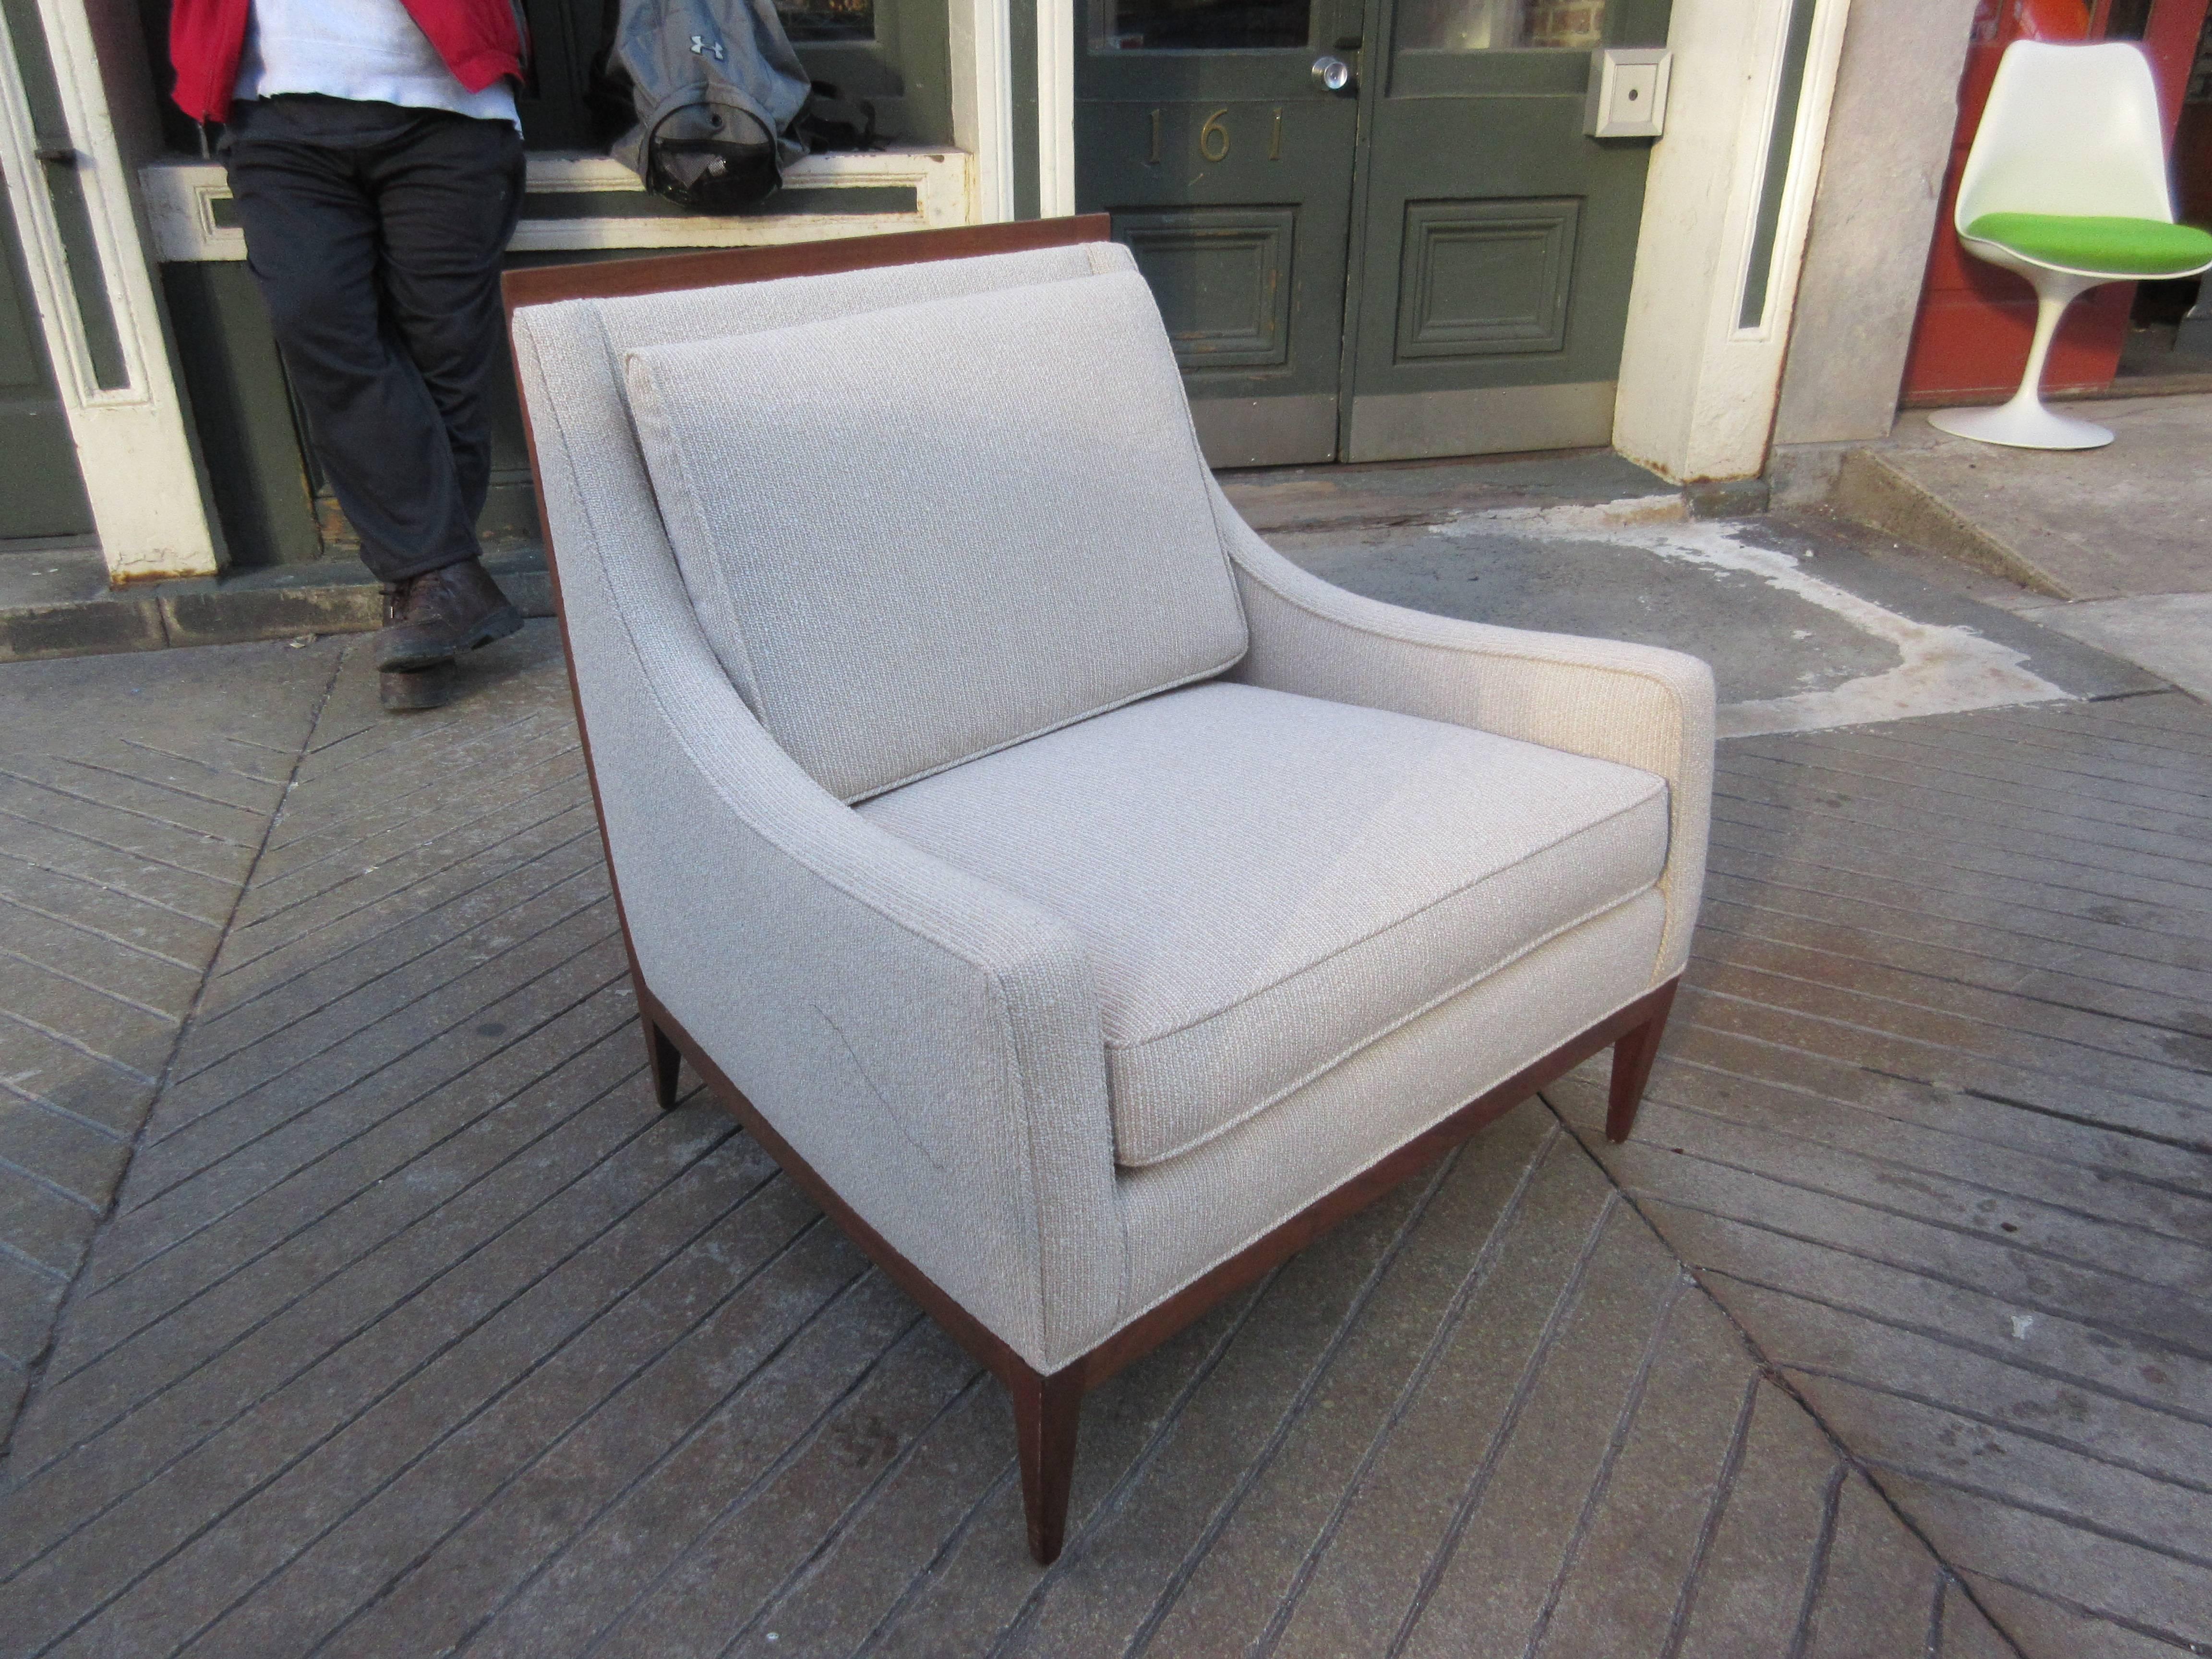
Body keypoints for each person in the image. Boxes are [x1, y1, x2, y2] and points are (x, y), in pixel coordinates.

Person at [168, 0, 530, 709]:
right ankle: (445, 579)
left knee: (443, 354)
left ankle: (422, 606)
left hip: (452, 102)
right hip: (274, 105)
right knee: (316, 326)